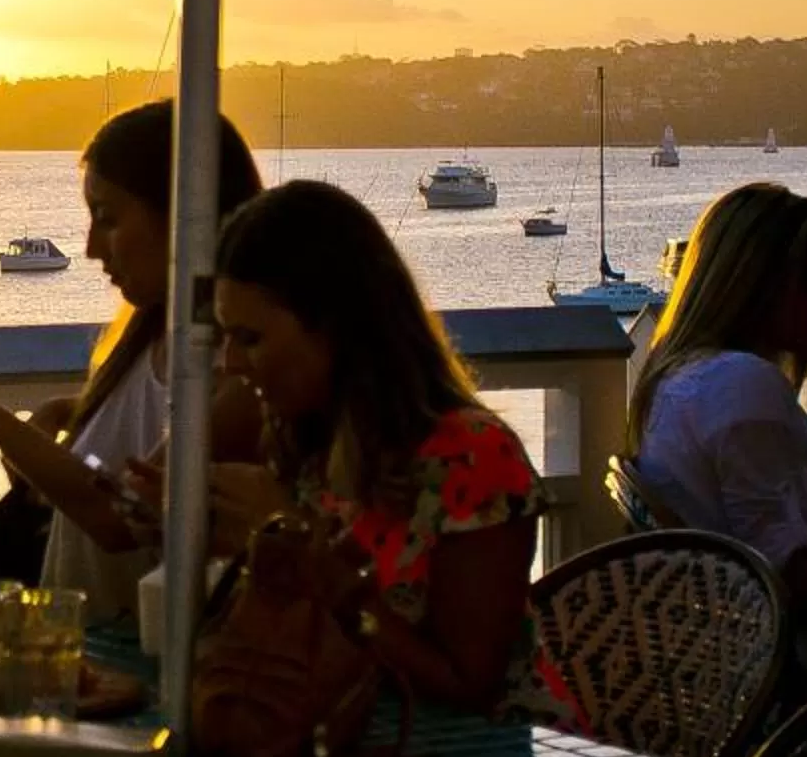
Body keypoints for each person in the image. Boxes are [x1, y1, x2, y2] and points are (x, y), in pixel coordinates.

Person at [196, 181, 549, 717]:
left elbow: (469, 689)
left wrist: (305, 553)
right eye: (226, 338)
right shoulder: (299, 444)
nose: (231, 364)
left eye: (251, 339)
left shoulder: (471, 461)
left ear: (335, 328)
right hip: (329, 751)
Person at [0, 99, 263, 621]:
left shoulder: (238, 372)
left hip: (142, 670)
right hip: (84, 656)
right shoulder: (155, 337)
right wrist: (73, 408)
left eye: (107, 218)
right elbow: (156, 420)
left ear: (181, 217)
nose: (89, 247)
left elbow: (116, 517)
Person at [624, 183, 807, 673]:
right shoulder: (741, 386)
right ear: (759, 284)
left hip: (722, 660)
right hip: (793, 676)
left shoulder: (683, 378)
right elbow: (790, 579)